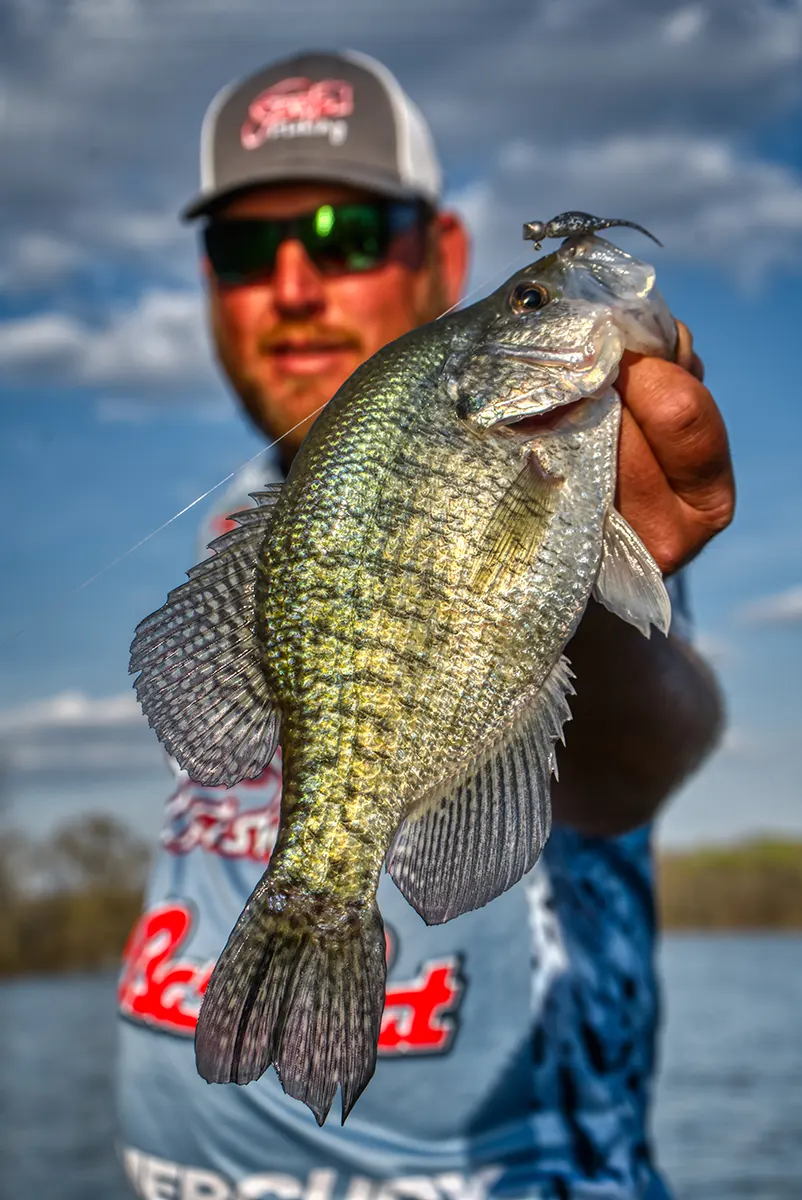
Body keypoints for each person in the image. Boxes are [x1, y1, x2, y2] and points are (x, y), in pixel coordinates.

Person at [116, 49, 734, 1200]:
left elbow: (639, 758)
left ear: (443, 260)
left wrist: (577, 614)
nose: (295, 284)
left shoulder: (592, 477)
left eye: (348, 231)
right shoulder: (254, 533)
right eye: (248, 249)